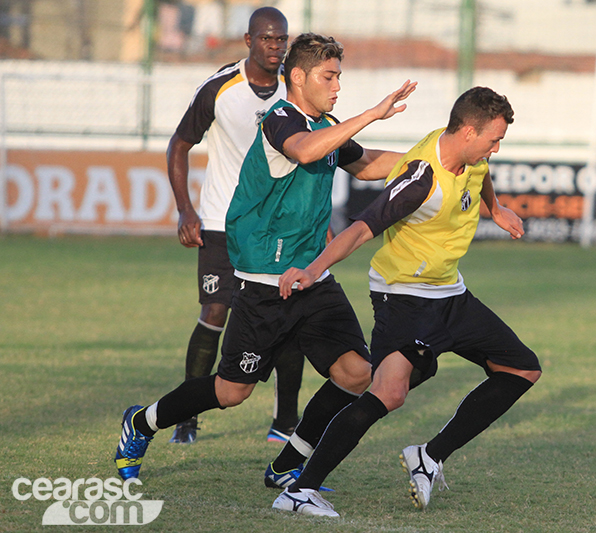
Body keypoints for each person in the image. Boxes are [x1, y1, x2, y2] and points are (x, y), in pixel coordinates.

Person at [115, 33, 417, 483]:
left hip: (312, 276)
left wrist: (429, 159)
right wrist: (372, 113)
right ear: (298, 77)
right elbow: (305, 150)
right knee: (231, 391)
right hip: (264, 283)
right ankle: (141, 423)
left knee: (356, 373)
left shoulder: (326, 125)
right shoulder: (279, 118)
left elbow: (367, 163)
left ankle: (287, 465)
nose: (337, 86)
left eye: (339, 77)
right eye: (328, 76)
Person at [271, 87, 542, 517]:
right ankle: (300, 490)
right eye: (493, 139)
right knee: (388, 393)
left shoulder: (469, 153)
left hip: (450, 293)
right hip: (404, 299)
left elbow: (481, 172)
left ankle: (429, 457)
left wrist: (495, 208)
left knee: (522, 368)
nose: (496, 148)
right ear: (468, 132)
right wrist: (314, 268)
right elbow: (362, 229)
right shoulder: (421, 179)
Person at [166, 7, 302, 444]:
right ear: (248, 41)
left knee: (288, 313)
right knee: (215, 311)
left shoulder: (297, 89)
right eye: (267, 39)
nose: (276, 46)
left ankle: (285, 423)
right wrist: (186, 209)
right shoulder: (220, 88)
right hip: (223, 222)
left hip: (278, 227)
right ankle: (186, 417)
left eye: (281, 39)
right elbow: (180, 144)